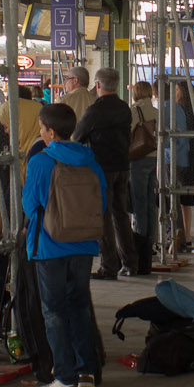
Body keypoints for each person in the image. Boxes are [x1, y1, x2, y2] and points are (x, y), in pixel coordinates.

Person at [23, 103, 107, 387]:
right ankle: (86, 372)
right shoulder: (90, 160)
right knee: (80, 307)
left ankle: (63, 377)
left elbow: (30, 204)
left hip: (49, 246)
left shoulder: (41, 162)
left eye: (42, 128)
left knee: (54, 312)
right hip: (84, 245)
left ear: (51, 132)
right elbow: (102, 202)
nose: (41, 132)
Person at [75, 68, 141, 279]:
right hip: (123, 166)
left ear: (98, 85)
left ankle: (109, 266)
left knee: (103, 217)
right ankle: (131, 262)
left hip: (101, 168)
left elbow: (78, 135)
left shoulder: (95, 110)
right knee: (121, 215)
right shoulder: (124, 108)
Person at [168, 81, 194, 253]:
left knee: (176, 197)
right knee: (185, 201)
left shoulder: (179, 111)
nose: (173, 92)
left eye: (175, 89)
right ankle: (186, 236)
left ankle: (179, 236)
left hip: (183, 157)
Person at [128, 82, 159, 251]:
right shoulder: (156, 112)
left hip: (137, 158)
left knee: (138, 200)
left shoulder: (134, 112)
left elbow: (127, 134)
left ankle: (140, 242)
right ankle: (151, 241)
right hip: (154, 158)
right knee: (150, 200)